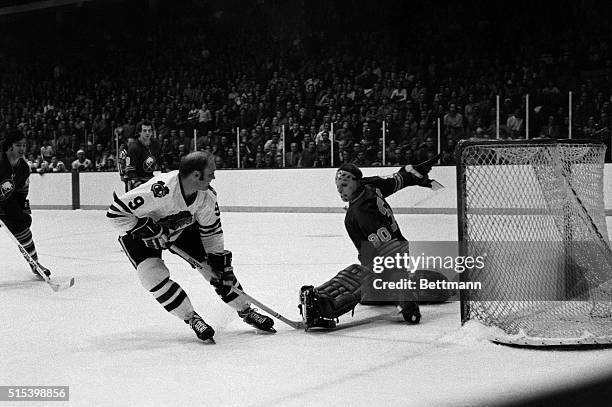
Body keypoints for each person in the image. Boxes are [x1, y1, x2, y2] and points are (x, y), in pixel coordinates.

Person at [106, 151, 274, 342]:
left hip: (181, 229)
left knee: (217, 271)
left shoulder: (207, 196)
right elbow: (115, 213)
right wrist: (144, 228)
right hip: (140, 236)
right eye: (210, 173)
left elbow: (212, 233)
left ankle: (246, 310)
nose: (214, 177)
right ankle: (191, 318)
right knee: (152, 276)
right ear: (195, 175)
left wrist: (219, 263)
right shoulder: (160, 189)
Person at [299, 155, 443, 329]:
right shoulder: (369, 184)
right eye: (338, 187)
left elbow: (390, 253)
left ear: (355, 183)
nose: (340, 190)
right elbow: (397, 181)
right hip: (397, 247)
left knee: (364, 277)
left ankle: (325, 306)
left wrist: (403, 295)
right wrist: (411, 174)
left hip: (390, 256)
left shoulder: (358, 215)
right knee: (370, 290)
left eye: (344, 185)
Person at [0, 130, 51, 279]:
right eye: (18, 145)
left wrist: (25, 211)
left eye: (24, 145)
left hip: (8, 202)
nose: (22, 149)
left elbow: (22, 194)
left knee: (23, 229)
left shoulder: (23, 168)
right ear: (9, 147)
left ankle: (35, 264)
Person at [125, 120, 163, 190]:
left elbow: (161, 160)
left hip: (150, 180)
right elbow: (129, 169)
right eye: (144, 131)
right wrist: (137, 183)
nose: (147, 133)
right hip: (135, 182)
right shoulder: (133, 148)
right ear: (139, 132)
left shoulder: (155, 144)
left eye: (149, 130)